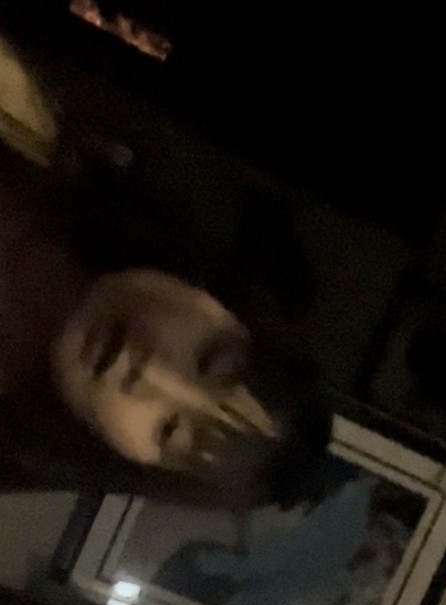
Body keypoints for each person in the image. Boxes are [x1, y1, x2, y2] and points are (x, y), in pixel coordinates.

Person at [0, 30, 330, 510]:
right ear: (215, 298)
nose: (150, 373)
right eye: (208, 358)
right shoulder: (27, 112)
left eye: (169, 430)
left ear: (128, 458)